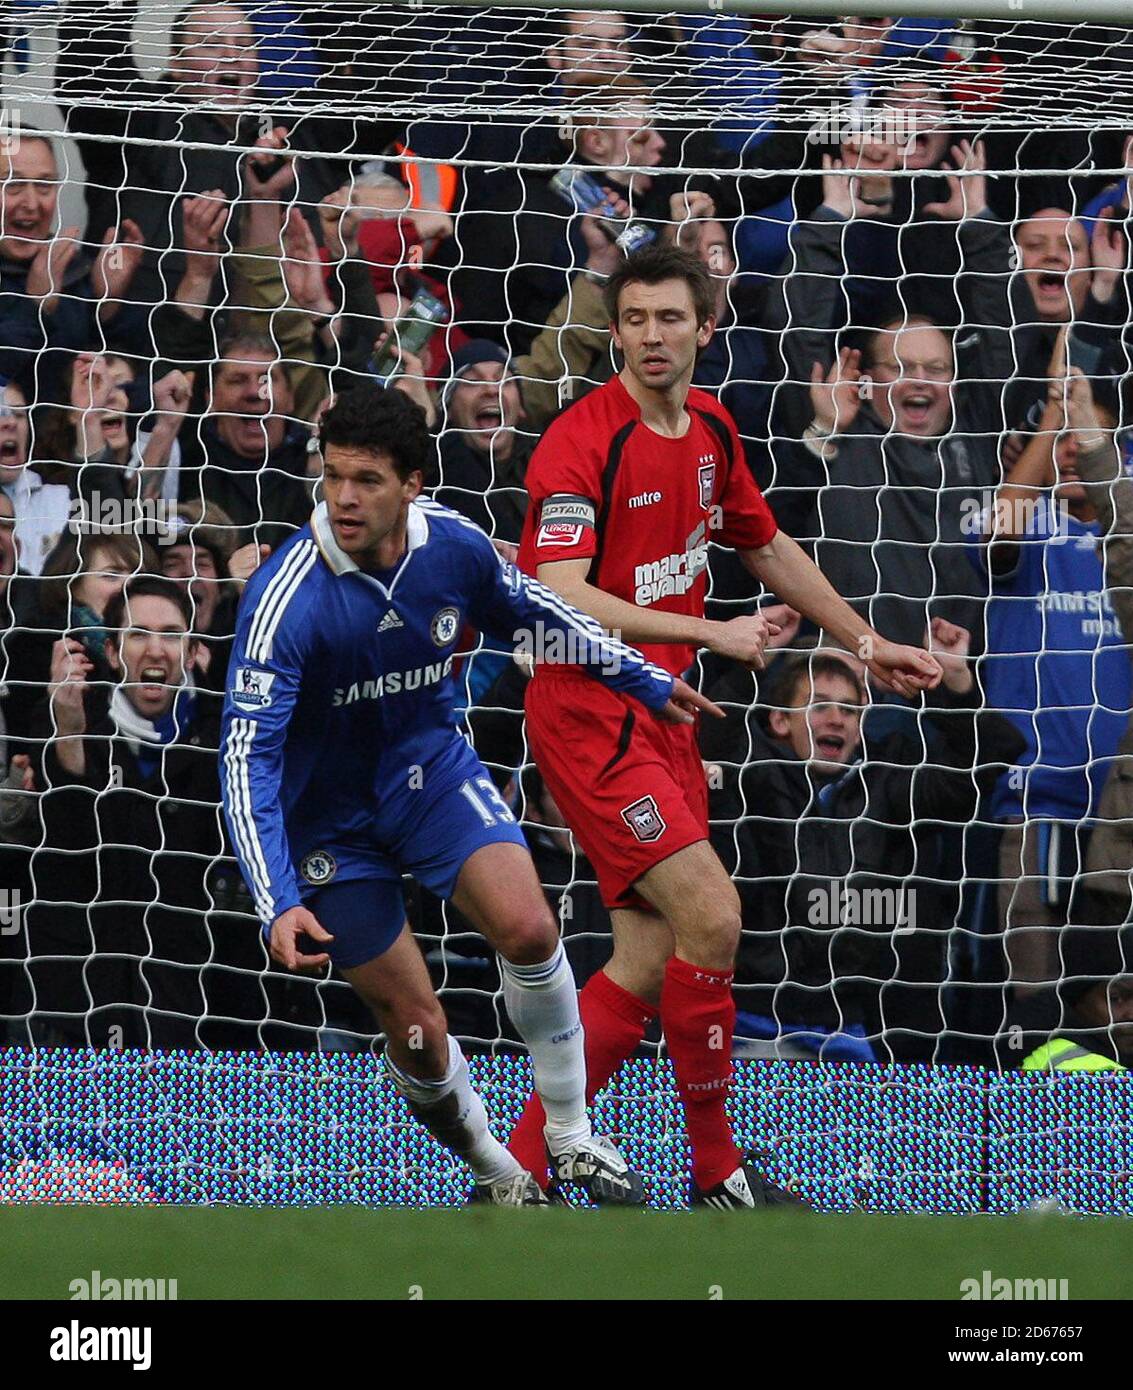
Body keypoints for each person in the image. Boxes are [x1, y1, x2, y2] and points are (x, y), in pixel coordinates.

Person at [508, 244, 942, 1208]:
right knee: (713, 916)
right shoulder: (581, 443)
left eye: (669, 318)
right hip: (587, 713)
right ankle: (718, 1174)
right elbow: (561, 592)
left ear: (705, 328)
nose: (651, 337)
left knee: (650, 955)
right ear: (613, 330)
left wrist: (866, 646)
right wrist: (713, 628)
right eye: (633, 320)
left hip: (662, 714)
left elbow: (765, 542)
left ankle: (520, 1169)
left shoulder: (710, 428)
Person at [219, 382, 712, 1206]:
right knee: (418, 1031)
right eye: (333, 476)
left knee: (527, 926)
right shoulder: (285, 601)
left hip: (429, 775)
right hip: (329, 829)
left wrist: (643, 681)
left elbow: (535, 614)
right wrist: (276, 899)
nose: (344, 497)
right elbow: (247, 762)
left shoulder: (452, 547)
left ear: (411, 484)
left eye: (366, 479)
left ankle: (569, 1133)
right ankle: (496, 1171)